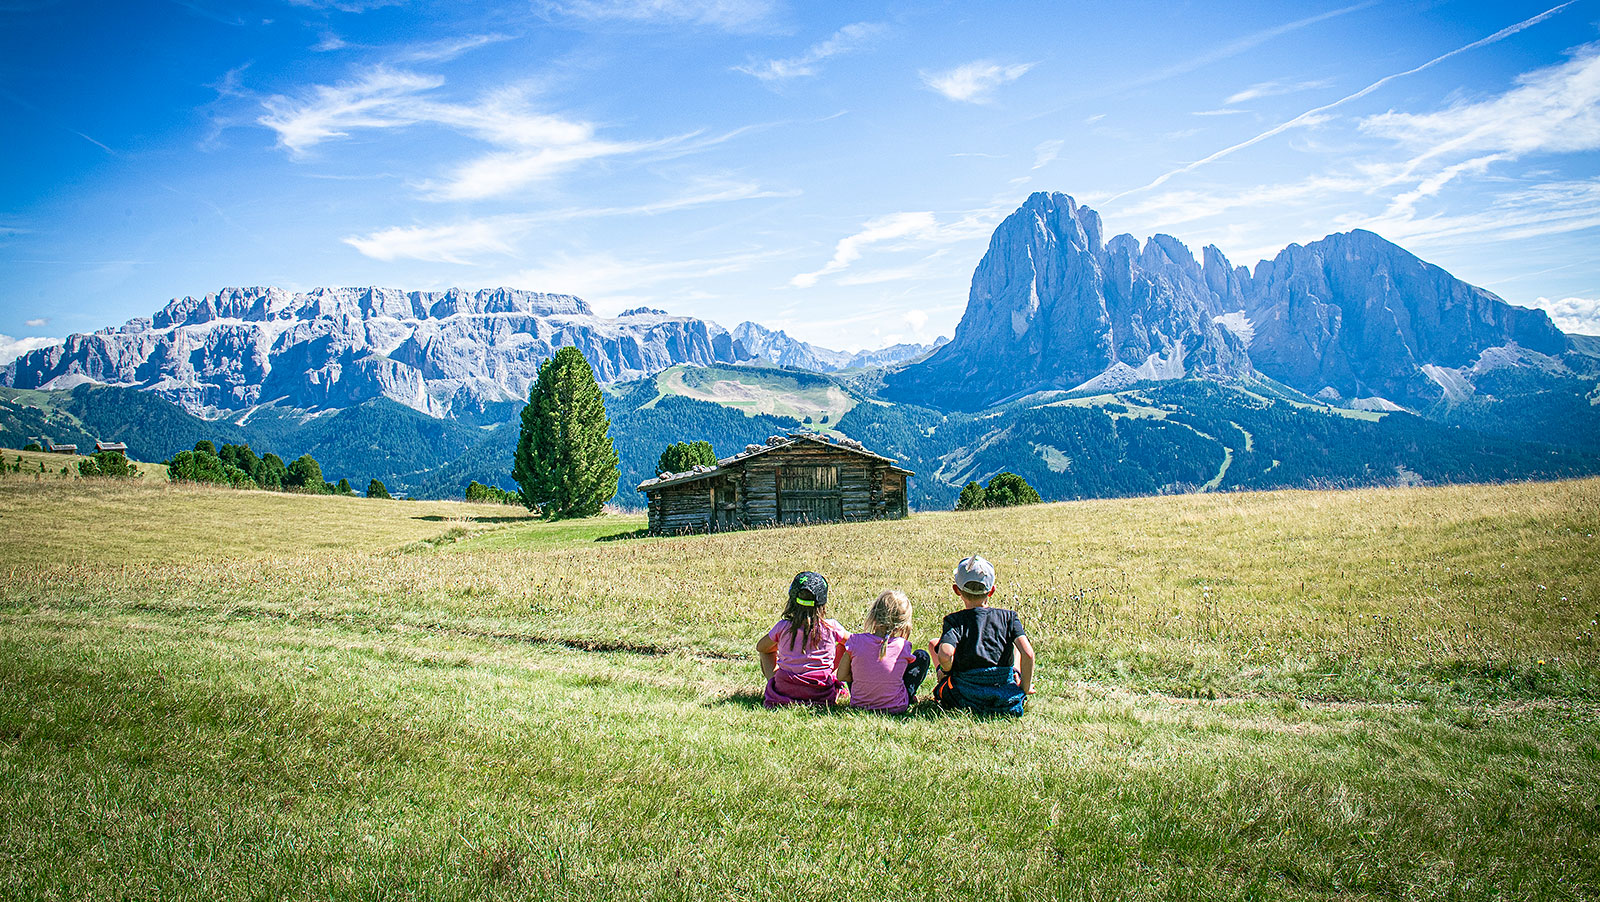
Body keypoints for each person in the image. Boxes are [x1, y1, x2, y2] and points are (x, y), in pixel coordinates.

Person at [930, 555, 1036, 716]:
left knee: (934, 644)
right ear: (992, 590)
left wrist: (946, 671)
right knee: (1013, 647)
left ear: (956, 590)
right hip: (1003, 690)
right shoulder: (1009, 617)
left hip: (963, 694)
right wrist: (1024, 688)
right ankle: (1015, 675)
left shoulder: (954, 620)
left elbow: (945, 654)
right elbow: (1028, 654)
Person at [757, 571, 849, 708]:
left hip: (785, 687)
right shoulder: (831, 627)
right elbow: (853, 643)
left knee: (766, 651)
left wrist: (781, 646)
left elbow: (761, 647)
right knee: (845, 646)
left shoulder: (783, 627)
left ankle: (774, 684)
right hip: (821, 691)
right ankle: (833, 679)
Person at [838, 590, 930, 714]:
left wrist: (862, 677)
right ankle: (908, 695)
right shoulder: (903, 646)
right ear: (903, 623)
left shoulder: (855, 641)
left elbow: (841, 676)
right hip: (896, 707)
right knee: (922, 656)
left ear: (874, 615)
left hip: (859, 705)